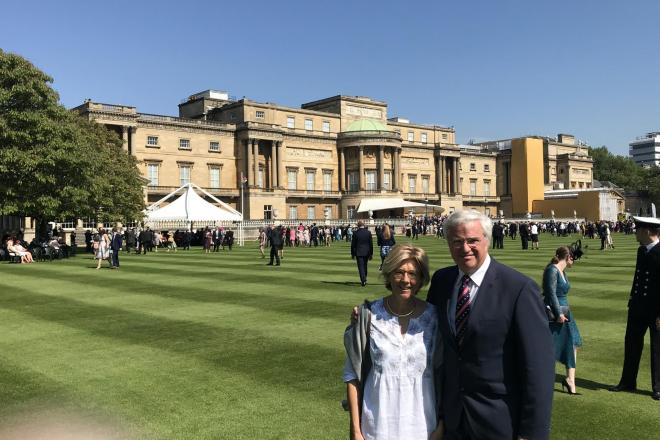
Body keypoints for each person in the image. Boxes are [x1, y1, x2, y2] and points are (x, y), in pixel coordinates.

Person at [426, 210, 554, 440]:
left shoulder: (519, 289)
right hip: (452, 419)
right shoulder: (442, 281)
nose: (465, 248)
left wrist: (532, 433)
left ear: (487, 239)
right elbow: (425, 328)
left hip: (500, 420)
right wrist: (369, 315)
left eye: (472, 240)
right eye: (456, 241)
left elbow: (539, 368)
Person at [343, 244, 441, 440]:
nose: (406, 280)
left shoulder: (435, 317)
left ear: (421, 278)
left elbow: (448, 375)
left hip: (424, 427)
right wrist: (356, 430)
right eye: (399, 272)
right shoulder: (369, 314)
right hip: (377, 427)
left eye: (413, 274)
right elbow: (352, 374)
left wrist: (441, 428)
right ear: (389, 274)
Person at [610, 215, 660, 400]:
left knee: (657, 348)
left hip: (655, 310)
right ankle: (628, 381)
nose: (635, 233)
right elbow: (638, 279)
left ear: (647, 231)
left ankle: (658, 387)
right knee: (631, 345)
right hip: (638, 307)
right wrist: (632, 301)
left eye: (637, 230)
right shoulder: (642, 251)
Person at [542, 246, 582, 394]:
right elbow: (551, 294)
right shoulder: (552, 270)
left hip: (565, 312)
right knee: (552, 346)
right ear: (568, 257)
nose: (574, 261)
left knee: (574, 343)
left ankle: (570, 379)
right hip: (556, 313)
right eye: (573, 258)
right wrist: (558, 313)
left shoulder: (562, 271)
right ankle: (551, 378)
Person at [351, 221, 373, 287]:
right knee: (365, 266)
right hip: (366, 251)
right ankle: (364, 278)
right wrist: (371, 253)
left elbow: (353, 245)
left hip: (359, 252)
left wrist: (352, 254)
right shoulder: (368, 232)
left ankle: (363, 280)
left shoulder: (355, 233)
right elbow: (370, 244)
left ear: (358, 225)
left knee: (361, 267)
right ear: (364, 225)